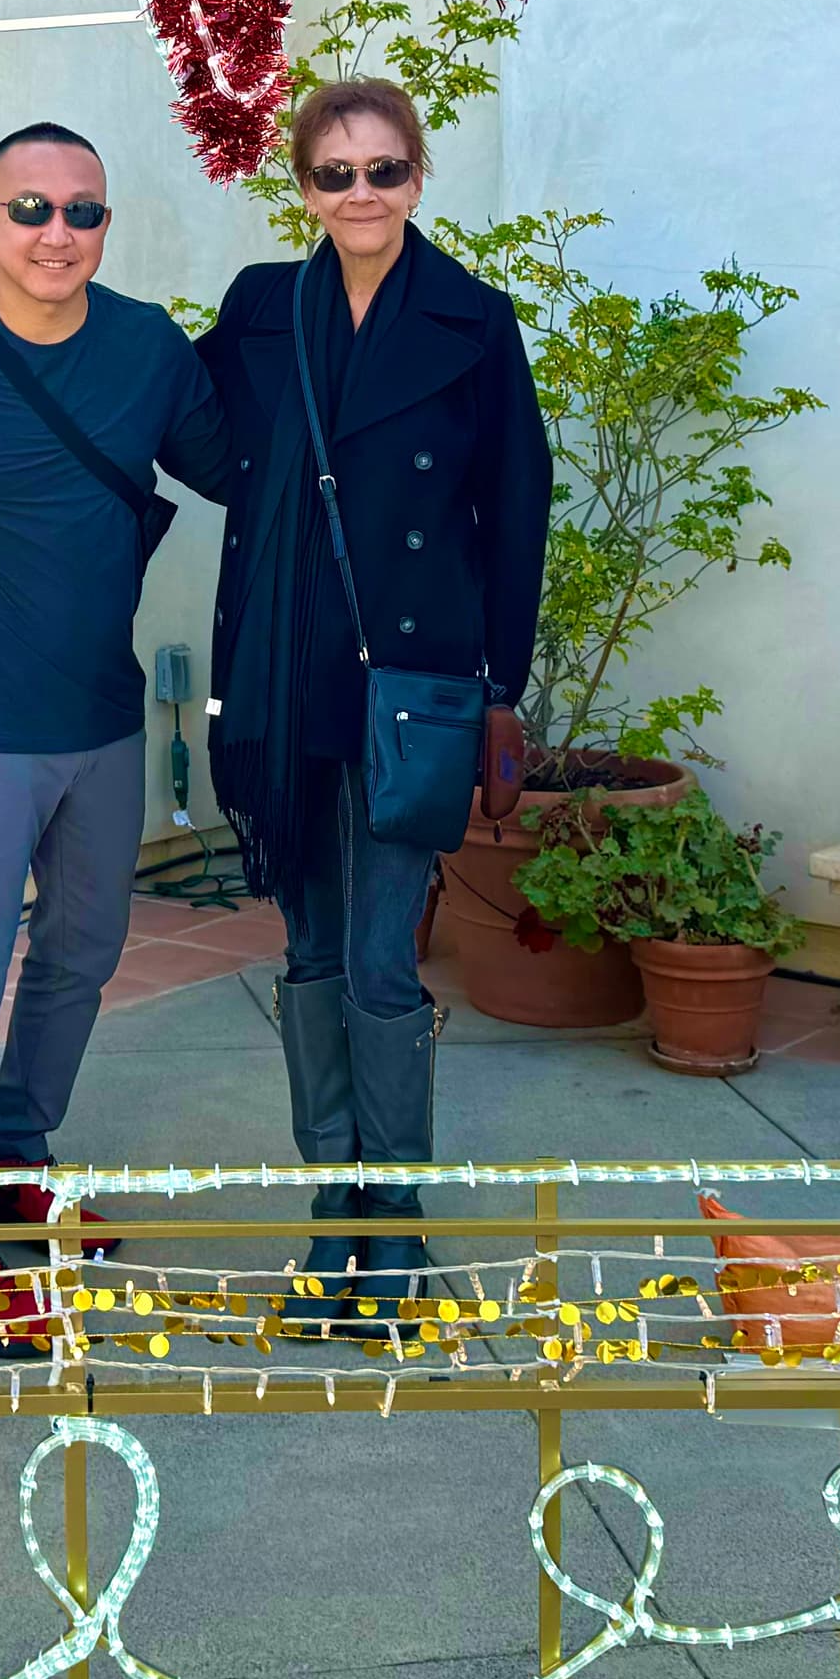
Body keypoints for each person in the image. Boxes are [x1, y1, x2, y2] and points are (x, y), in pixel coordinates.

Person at [198, 77, 550, 1324]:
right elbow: (188, 431)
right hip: (281, 677)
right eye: (335, 174)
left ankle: (392, 1224)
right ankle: (329, 1214)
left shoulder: (472, 320)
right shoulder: (260, 311)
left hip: (413, 686)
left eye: (383, 171)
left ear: (419, 179)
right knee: (305, 950)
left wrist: (498, 684)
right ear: (303, 188)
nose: (360, 194)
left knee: (380, 959)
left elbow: (516, 509)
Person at [0, 121, 227, 1340]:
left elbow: (246, 463)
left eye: (82, 211)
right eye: (29, 209)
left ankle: (12, 1154)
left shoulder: (146, 347)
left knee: (83, 952)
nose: (56, 233)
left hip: (104, 715)